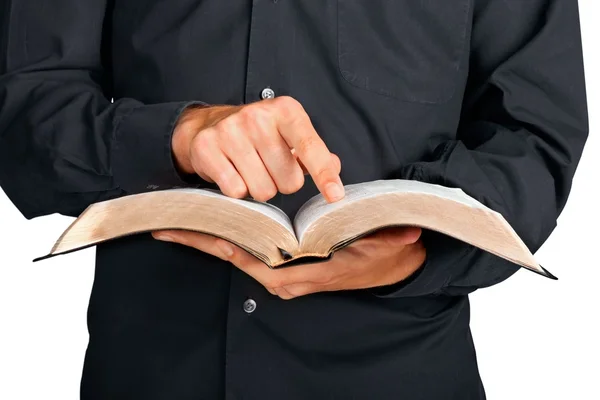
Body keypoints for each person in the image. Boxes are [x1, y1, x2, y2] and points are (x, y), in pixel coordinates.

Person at [0, 1, 588, 399]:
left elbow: (535, 139)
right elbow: (23, 110)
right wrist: (176, 136)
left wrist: (419, 253)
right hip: (151, 373)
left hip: (400, 374)